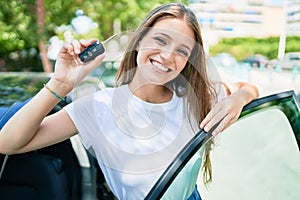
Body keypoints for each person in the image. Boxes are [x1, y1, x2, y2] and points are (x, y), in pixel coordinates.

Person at [0, 3, 259, 199]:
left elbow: (248, 88)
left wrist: (239, 98)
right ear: (139, 41)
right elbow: (8, 142)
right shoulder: (98, 107)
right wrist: (60, 84)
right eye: (160, 40)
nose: (168, 55)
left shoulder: (196, 96)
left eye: (182, 50)